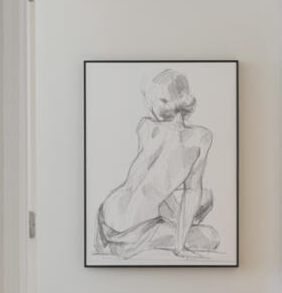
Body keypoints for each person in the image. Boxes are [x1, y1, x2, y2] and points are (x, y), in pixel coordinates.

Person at [93, 67, 221, 260]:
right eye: (151, 100)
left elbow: (150, 182)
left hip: (104, 218)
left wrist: (177, 215)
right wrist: (180, 245)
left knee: (203, 198)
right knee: (212, 236)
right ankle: (184, 224)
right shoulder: (200, 137)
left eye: (160, 100)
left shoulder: (145, 127)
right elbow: (191, 191)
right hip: (132, 235)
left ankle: (182, 222)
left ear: (181, 99)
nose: (152, 106)